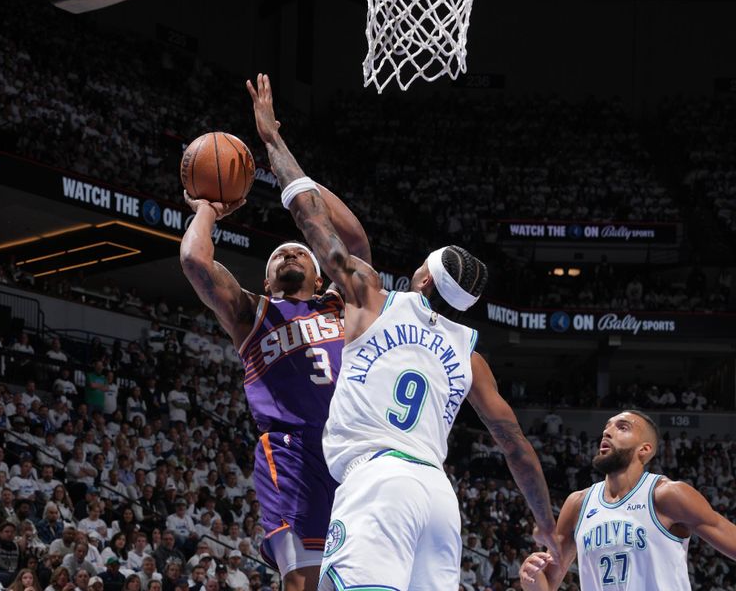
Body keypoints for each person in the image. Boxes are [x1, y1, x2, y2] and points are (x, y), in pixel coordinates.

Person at [248, 73, 558, 589]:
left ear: (423, 277)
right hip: (438, 498)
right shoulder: (469, 354)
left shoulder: (372, 298)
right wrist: (545, 523)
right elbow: (515, 444)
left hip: (378, 483)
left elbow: (311, 221)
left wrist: (273, 141)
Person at [180, 86, 370, 591]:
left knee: (351, 580)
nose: (289, 256)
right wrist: (206, 208)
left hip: (351, 451)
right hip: (291, 451)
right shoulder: (253, 313)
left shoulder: (342, 304)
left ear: (317, 268)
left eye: (298, 253)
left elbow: (354, 242)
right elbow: (196, 263)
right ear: (265, 281)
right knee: (303, 581)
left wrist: (300, 180)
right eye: (277, 257)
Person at [519, 410, 736, 591]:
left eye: (622, 427)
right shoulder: (578, 504)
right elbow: (548, 583)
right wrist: (531, 578)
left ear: (644, 449)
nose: (607, 432)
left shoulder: (666, 495)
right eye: (607, 426)